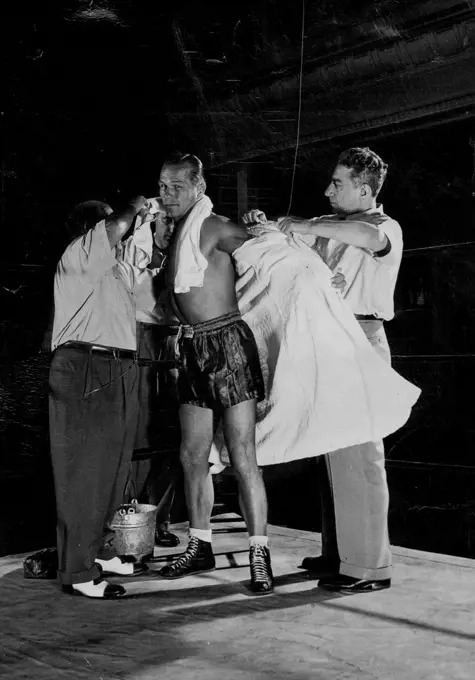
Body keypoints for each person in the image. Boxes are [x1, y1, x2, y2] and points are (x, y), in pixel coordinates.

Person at [245, 146, 403, 593]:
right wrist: (265, 226)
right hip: (327, 341)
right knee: (333, 450)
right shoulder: (331, 229)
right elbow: (288, 245)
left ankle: (369, 568)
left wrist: (304, 226)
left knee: (361, 456)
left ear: (365, 189)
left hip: (360, 340)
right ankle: (341, 554)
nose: (328, 189)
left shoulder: (383, 227)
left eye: (338, 183)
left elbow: (364, 238)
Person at [154, 152, 274, 595]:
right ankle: (199, 544)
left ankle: (258, 554)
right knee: (192, 454)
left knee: (243, 455)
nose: (165, 195)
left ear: (197, 188)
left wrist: (260, 226)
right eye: (162, 187)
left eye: (175, 188)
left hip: (227, 344)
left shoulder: (217, 227)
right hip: (189, 346)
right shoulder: (174, 235)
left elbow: (269, 255)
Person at [49, 197, 155, 599]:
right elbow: (116, 228)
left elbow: (143, 278)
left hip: (117, 365)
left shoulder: (113, 269)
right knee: (85, 475)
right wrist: (133, 207)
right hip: (84, 364)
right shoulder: (78, 253)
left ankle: (103, 549)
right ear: (90, 229)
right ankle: (77, 572)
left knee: (114, 468)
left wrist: (147, 226)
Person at [120, 206, 182, 548]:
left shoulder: (186, 254)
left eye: (176, 222)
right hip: (138, 339)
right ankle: (129, 517)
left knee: (170, 436)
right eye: (166, 221)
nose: (171, 228)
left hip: (173, 342)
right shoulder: (135, 250)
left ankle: (159, 520)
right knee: (137, 434)